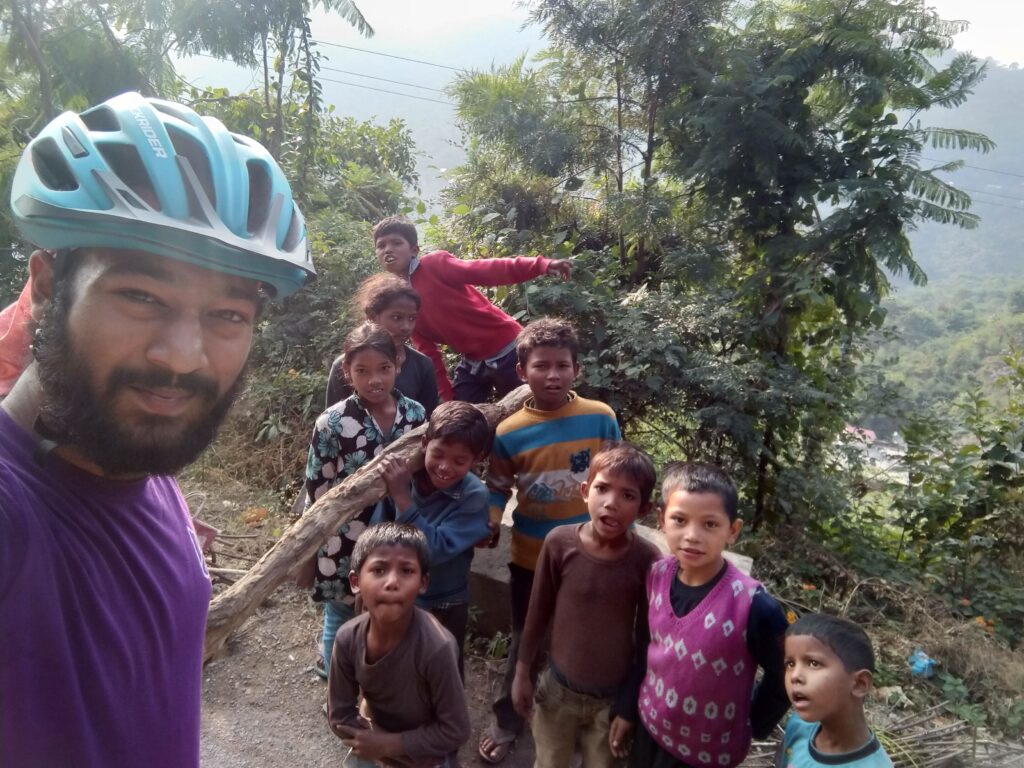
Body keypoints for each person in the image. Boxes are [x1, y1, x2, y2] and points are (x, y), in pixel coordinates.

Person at [0, 92, 315, 768]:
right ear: (48, 288)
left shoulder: (134, 459)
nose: (183, 357)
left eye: (228, 315)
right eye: (141, 296)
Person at [480, 317, 622, 764]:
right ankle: (508, 720)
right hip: (532, 557)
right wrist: (490, 520)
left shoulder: (600, 418)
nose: (553, 375)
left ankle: (581, 723)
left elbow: (617, 477)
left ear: (577, 370)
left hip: (592, 555)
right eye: (541, 366)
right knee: (526, 638)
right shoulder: (509, 432)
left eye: (562, 365)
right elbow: (497, 485)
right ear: (522, 372)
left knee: (587, 639)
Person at [630, 462, 790, 768]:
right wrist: (628, 708)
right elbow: (645, 646)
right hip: (649, 726)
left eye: (710, 524)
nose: (692, 535)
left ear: (733, 531)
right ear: (662, 520)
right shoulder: (657, 575)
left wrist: (753, 724)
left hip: (708, 753)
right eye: (679, 520)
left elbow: (784, 671)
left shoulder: (753, 605)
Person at [511, 442, 661, 768]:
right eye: (602, 488)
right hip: (557, 692)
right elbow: (537, 613)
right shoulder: (559, 543)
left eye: (628, 495)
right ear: (584, 491)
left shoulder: (647, 560)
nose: (611, 503)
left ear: (644, 509)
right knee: (549, 761)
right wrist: (522, 672)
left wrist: (628, 706)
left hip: (611, 701)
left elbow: (647, 639)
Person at [305, 322, 427, 675]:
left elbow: (423, 476)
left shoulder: (415, 416)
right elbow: (318, 489)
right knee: (341, 612)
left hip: (399, 534)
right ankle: (337, 680)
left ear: (398, 363)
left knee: (390, 611)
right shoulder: (332, 422)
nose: (375, 380)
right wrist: (309, 550)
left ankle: (380, 680)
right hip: (345, 538)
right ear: (347, 371)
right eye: (362, 371)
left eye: (383, 368)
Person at [372, 215, 572, 403]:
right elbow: (428, 351)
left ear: (414, 250)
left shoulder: (434, 265)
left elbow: (486, 270)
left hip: (508, 348)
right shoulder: (399, 298)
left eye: (396, 243)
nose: (388, 249)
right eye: (381, 245)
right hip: (473, 361)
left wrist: (540, 265)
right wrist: (448, 403)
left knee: (532, 406)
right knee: (461, 415)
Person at [328, 521, 471, 768]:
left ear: (423, 583)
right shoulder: (347, 638)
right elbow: (339, 716)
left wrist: (388, 745)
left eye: (406, 571)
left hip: (423, 752)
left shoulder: (437, 648)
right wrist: (372, 742)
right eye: (379, 570)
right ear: (355, 581)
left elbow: (456, 730)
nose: (392, 582)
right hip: (372, 737)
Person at [378, 400, 494, 678]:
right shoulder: (405, 479)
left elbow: (435, 549)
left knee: (444, 670)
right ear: (424, 443)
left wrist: (403, 499)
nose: (444, 467)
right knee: (396, 666)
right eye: (438, 454)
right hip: (398, 594)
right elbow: (378, 533)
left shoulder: (474, 496)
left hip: (446, 601)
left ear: (477, 459)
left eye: (459, 461)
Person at [778, 614, 893, 768]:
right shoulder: (798, 727)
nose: (794, 676)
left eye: (813, 663)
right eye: (790, 664)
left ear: (860, 684)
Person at [326, 273, 439, 416]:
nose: (406, 327)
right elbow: (333, 420)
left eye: (412, 318)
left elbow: (429, 421)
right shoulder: (345, 366)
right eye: (396, 317)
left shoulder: (423, 365)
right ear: (372, 317)